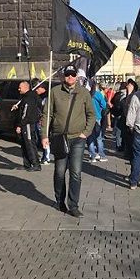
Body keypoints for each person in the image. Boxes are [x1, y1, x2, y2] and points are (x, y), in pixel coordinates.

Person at [41, 65, 96, 218]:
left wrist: (86, 133)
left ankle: (73, 205)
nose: (70, 77)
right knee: (59, 172)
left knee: (76, 173)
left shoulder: (84, 93)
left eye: (73, 75)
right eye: (67, 75)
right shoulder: (55, 92)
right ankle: (60, 201)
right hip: (60, 138)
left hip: (78, 138)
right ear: (63, 76)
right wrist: (44, 136)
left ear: (77, 77)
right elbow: (47, 115)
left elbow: (91, 115)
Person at [13, 80, 42, 172]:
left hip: (28, 124)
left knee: (29, 144)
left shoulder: (29, 98)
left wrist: (20, 125)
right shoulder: (26, 97)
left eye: (20, 87)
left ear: (25, 87)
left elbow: (27, 114)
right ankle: (27, 164)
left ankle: (36, 164)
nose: (18, 89)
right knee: (24, 144)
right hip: (26, 124)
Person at [117, 80, 138, 159]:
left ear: (133, 86)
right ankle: (128, 154)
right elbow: (120, 109)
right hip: (125, 123)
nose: (127, 86)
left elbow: (129, 109)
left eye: (129, 85)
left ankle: (132, 155)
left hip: (133, 124)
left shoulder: (135, 96)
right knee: (127, 140)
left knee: (132, 141)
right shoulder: (126, 97)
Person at [87, 82, 108, 162]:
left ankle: (93, 155)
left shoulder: (87, 94)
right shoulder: (98, 94)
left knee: (90, 137)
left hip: (88, 117)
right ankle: (101, 155)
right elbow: (104, 105)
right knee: (99, 137)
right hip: (97, 117)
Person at [111, 82, 128, 151]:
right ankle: (121, 145)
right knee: (121, 131)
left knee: (118, 131)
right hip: (121, 114)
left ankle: (119, 145)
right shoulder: (124, 95)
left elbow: (112, 101)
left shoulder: (117, 94)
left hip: (116, 114)